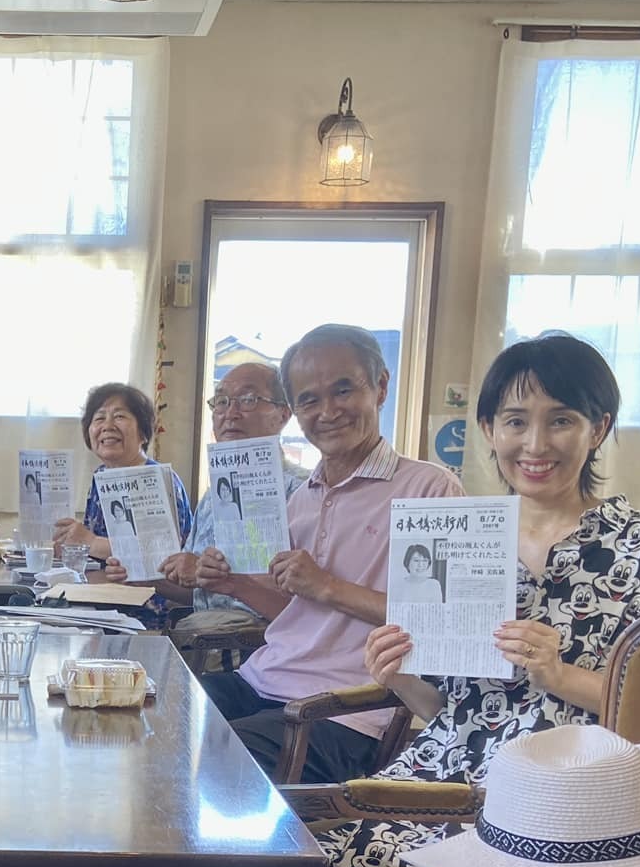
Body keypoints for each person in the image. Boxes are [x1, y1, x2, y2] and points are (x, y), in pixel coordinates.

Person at [293, 330, 640, 867]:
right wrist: (399, 675)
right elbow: (449, 708)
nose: (535, 444)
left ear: (598, 428)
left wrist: (559, 675)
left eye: (561, 420)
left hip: (577, 791)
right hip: (452, 771)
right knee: (342, 853)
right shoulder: (462, 537)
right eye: (515, 421)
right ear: (489, 429)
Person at [193, 325, 460, 783]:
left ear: (380, 387)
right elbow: (299, 616)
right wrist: (234, 584)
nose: (328, 411)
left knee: (208, 761)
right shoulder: (303, 497)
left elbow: (441, 621)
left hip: (344, 712)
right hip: (262, 679)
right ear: (295, 412)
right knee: (155, 713)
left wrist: (328, 586)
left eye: (343, 390)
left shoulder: (428, 489)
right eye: (310, 400)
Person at [150, 361, 313, 634]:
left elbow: (309, 607)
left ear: (284, 414)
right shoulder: (213, 496)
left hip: (264, 644)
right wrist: (146, 579)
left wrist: (223, 578)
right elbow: (199, 595)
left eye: (248, 400)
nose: (230, 414)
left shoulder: (303, 491)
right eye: (222, 402)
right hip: (203, 636)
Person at [53, 382, 193, 562]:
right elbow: (95, 549)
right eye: (99, 418)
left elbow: (160, 553)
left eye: (119, 416)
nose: (107, 426)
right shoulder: (101, 475)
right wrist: (72, 543)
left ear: (143, 432)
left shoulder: (156, 478)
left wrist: (90, 542)